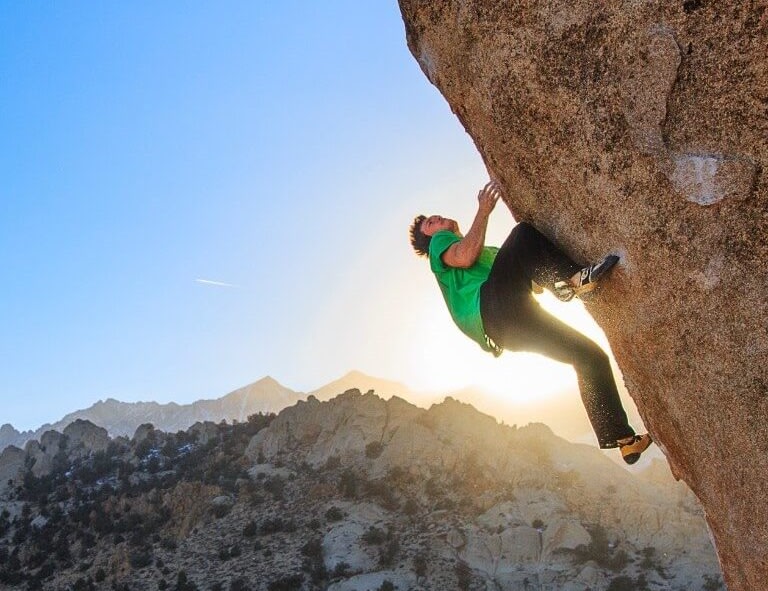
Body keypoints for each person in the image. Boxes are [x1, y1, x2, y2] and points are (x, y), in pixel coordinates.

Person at [409, 180, 652, 464]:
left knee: (589, 357)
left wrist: (544, 279)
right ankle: (576, 279)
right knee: (522, 234)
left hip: (508, 327)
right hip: (494, 309)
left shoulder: (488, 254)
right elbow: (463, 256)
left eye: (433, 217)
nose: (434, 219)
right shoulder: (441, 244)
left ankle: (623, 440)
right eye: (429, 224)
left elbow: (529, 275)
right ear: (431, 239)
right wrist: (484, 211)